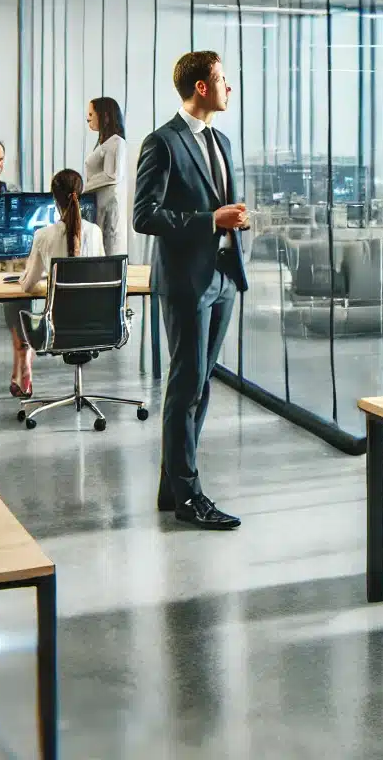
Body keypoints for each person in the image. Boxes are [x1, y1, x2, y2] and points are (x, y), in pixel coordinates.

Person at [134, 50, 249, 532]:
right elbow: (145, 215)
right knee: (184, 388)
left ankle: (174, 485)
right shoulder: (162, 143)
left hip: (222, 277)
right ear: (201, 87)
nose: (229, 88)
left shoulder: (220, 140)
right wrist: (210, 221)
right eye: (223, 80)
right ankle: (189, 495)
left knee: (201, 386)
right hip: (185, 283)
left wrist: (232, 223)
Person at [6, 169, 105, 396]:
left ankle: (23, 363)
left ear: (54, 198)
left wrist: (27, 273)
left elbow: (28, 286)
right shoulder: (96, 232)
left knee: (14, 306)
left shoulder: (44, 236)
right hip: (97, 325)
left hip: (57, 329)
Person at [84, 97, 130, 257]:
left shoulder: (117, 142)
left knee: (109, 250)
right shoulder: (106, 143)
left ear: (104, 116)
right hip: (100, 205)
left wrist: (83, 189)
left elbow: (112, 175)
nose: (88, 118)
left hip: (110, 208)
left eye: (91, 113)